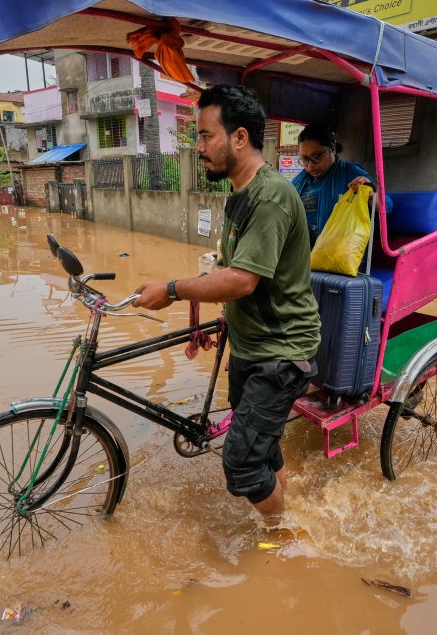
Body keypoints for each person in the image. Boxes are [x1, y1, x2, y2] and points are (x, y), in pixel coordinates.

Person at [134, 85, 320, 526]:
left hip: (282, 351)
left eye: (205, 136)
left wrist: (173, 289)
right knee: (260, 444)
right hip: (250, 345)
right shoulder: (241, 193)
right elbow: (231, 268)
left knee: (241, 463)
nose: (198, 147)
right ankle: (288, 502)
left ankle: (286, 539)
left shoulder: (270, 197)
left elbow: (241, 279)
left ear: (239, 137)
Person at [291, 124, 390, 246]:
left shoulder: (350, 173)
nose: (310, 165)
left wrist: (369, 195)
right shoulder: (300, 181)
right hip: (302, 251)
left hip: (337, 253)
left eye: (317, 156)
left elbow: (387, 205)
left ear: (332, 149)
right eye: (305, 159)